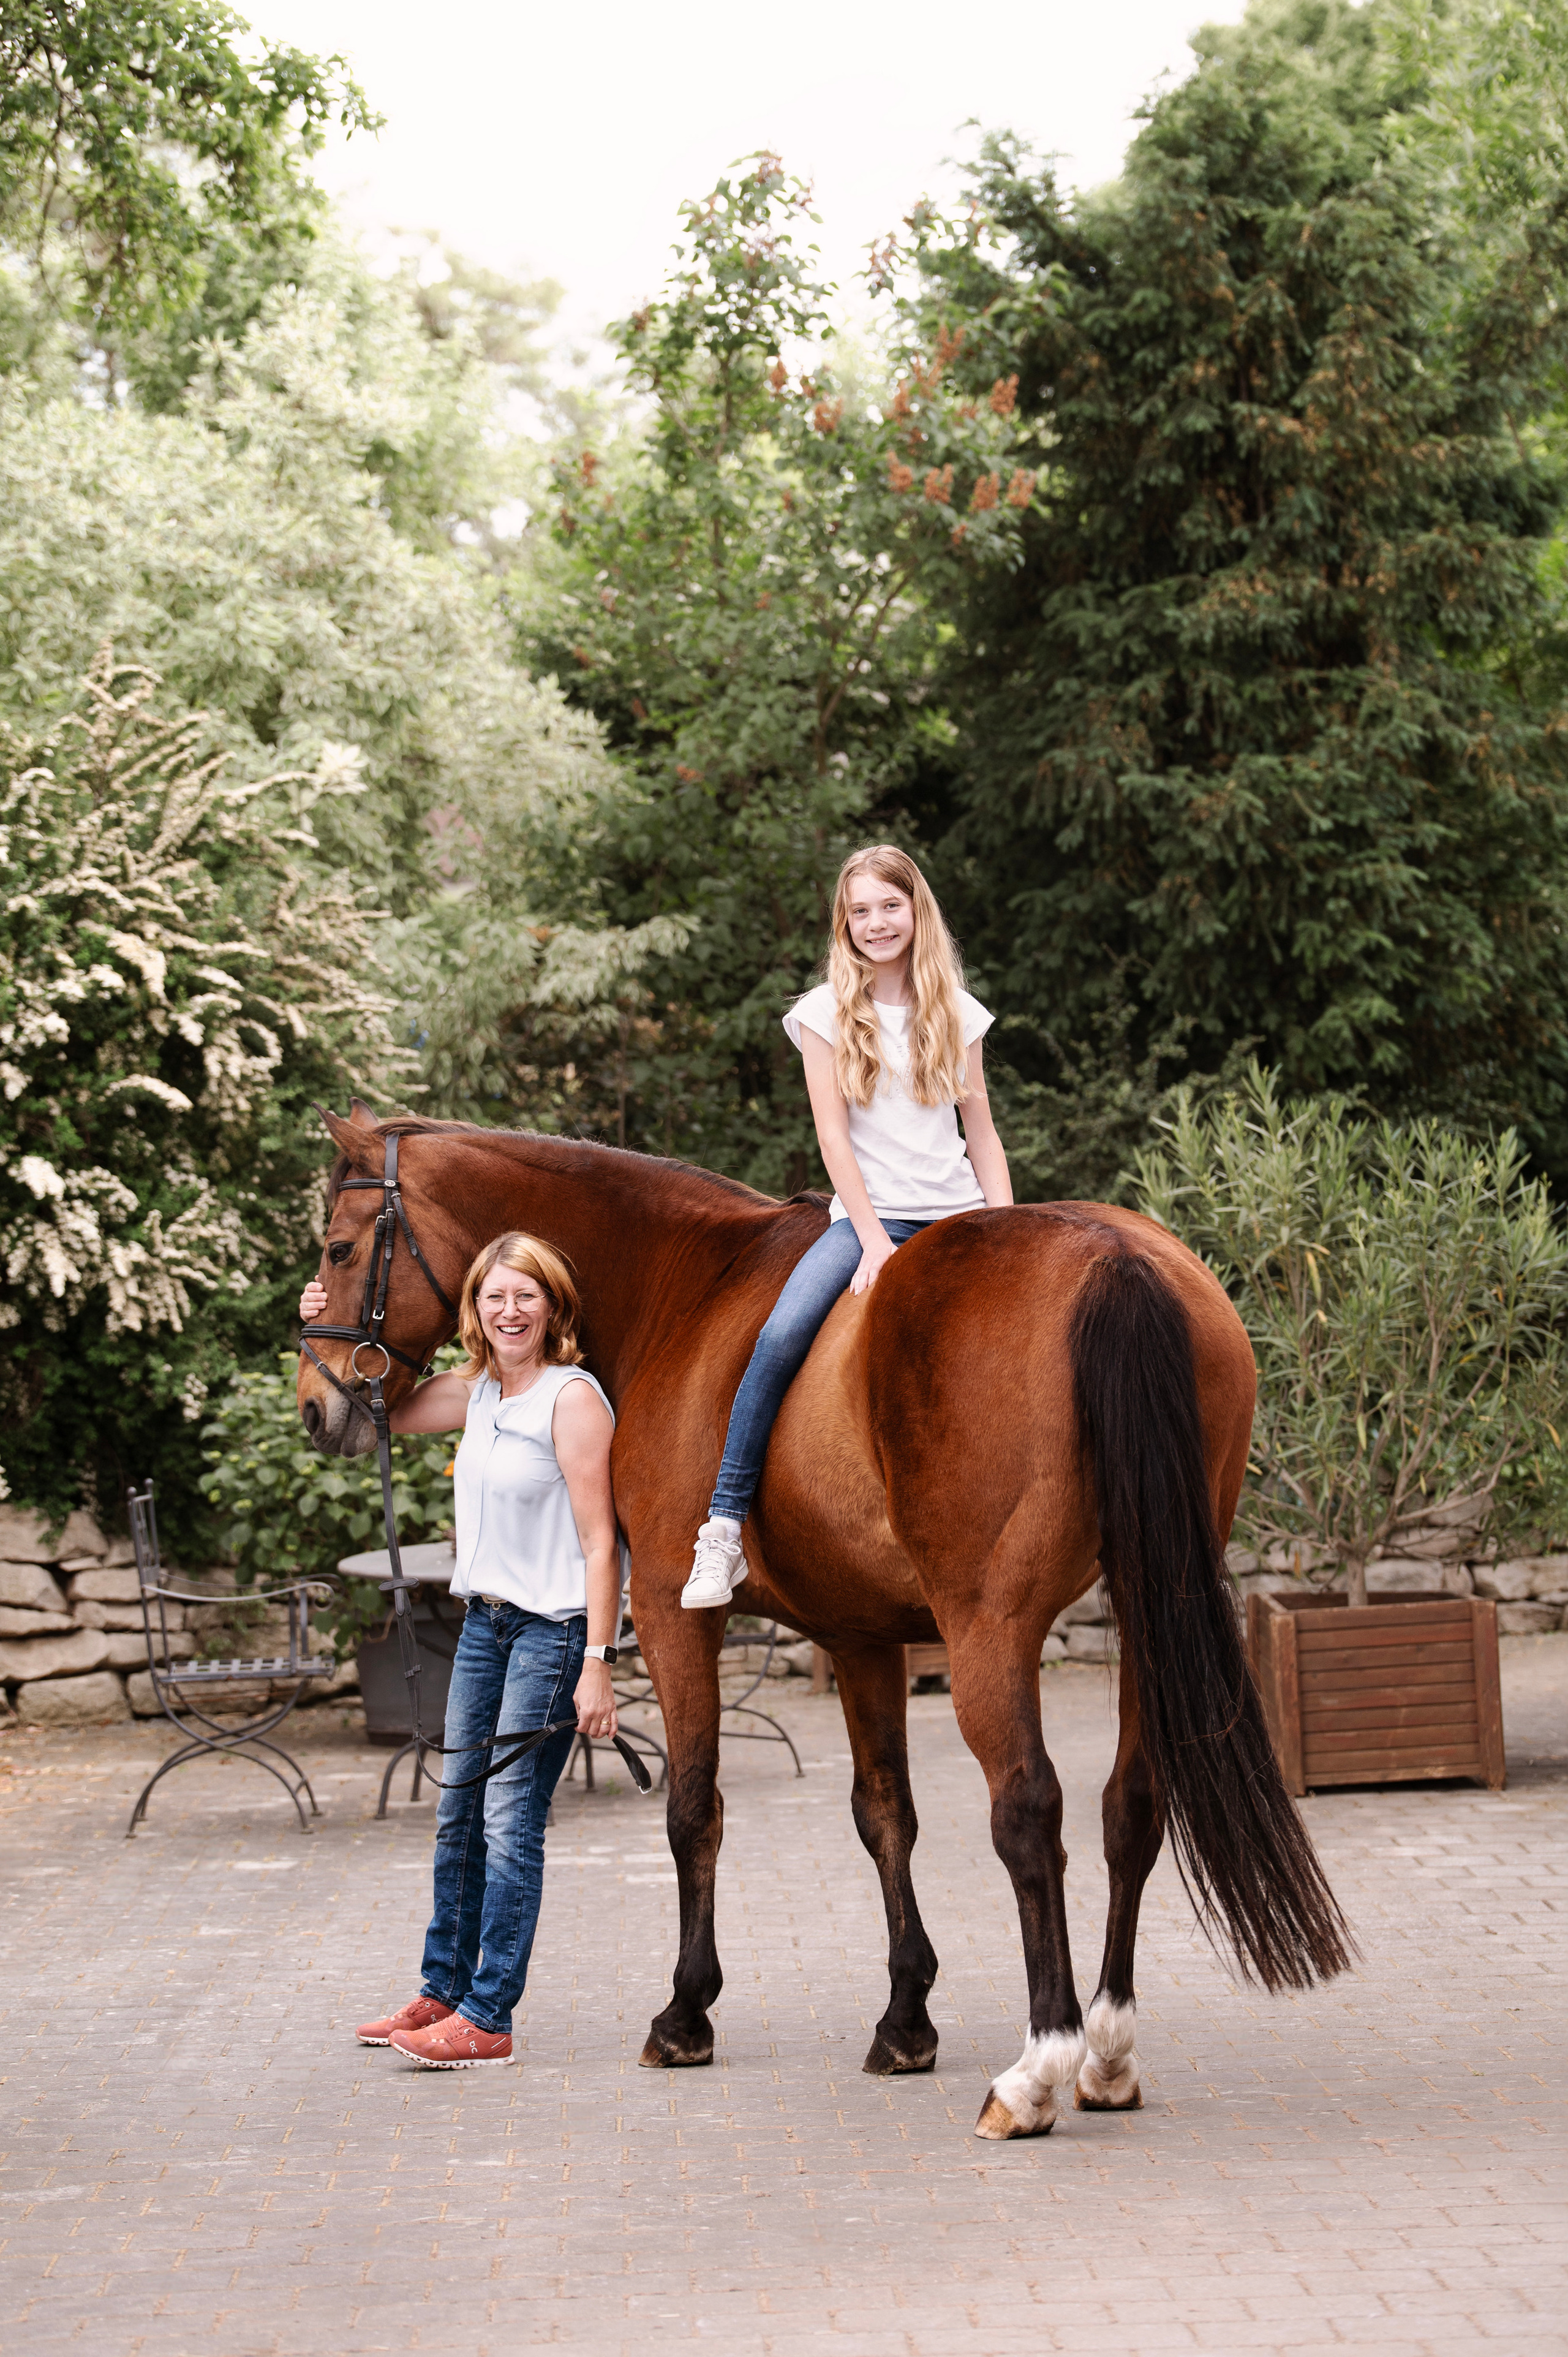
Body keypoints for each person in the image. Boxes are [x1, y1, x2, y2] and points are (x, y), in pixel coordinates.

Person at [298, 1233, 622, 2070]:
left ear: (554, 1306)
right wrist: (318, 1327)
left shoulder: (572, 1398)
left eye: (526, 1295)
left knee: (512, 1820)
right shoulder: (475, 1391)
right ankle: (442, 1989)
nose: (510, 1310)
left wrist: (599, 1660)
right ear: (473, 1310)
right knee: (457, 1815)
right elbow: (371, 1414)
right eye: (494, 1296)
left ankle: (489, 2014)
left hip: (550, 1634)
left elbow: (600, 1543)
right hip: (482, 1627)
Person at [681, 842, 1013, 1609]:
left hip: (960, 1212)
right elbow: (833, 1139)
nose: (875, 922)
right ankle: (724, 1529)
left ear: (915, 910)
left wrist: (1004, 1225)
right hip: (872, 1216)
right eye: (859, 910)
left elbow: (983, 1134)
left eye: (889, 906)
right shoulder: (822, 1013)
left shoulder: (957, 1012)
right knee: (777, 1338)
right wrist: (870, 1240)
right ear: (845, 923)